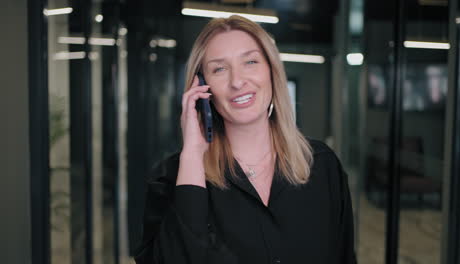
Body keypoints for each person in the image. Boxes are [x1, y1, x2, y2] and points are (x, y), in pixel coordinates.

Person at [134, 15, 357, 264]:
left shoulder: (322, 165)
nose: (237, 81)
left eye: (250, 62)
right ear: (202, 88)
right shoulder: (173, 177)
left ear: (272, 72)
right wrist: (192, 157)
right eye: (219, 69)